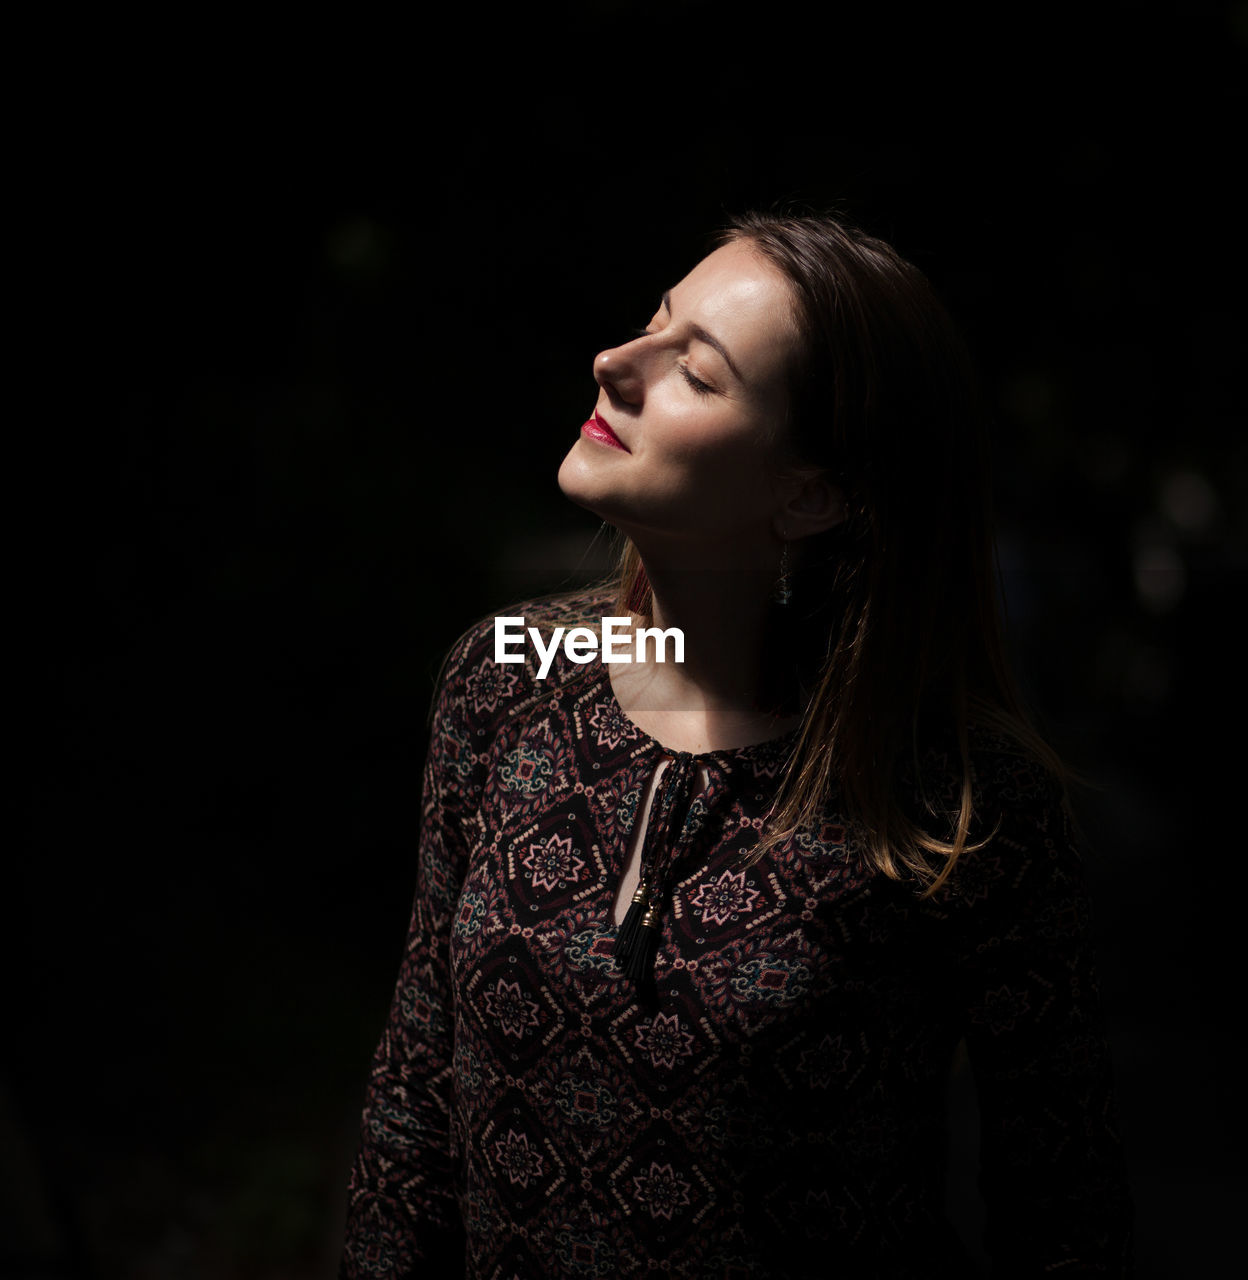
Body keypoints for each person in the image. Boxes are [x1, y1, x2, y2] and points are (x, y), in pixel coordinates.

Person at [339, 213, 1134, 1277]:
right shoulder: (506, 673)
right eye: (650, 322)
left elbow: (1062, 1211)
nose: (615, 362)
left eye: (696, 373)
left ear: (809, 492)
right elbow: (413, 1102)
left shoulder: (958, 797)